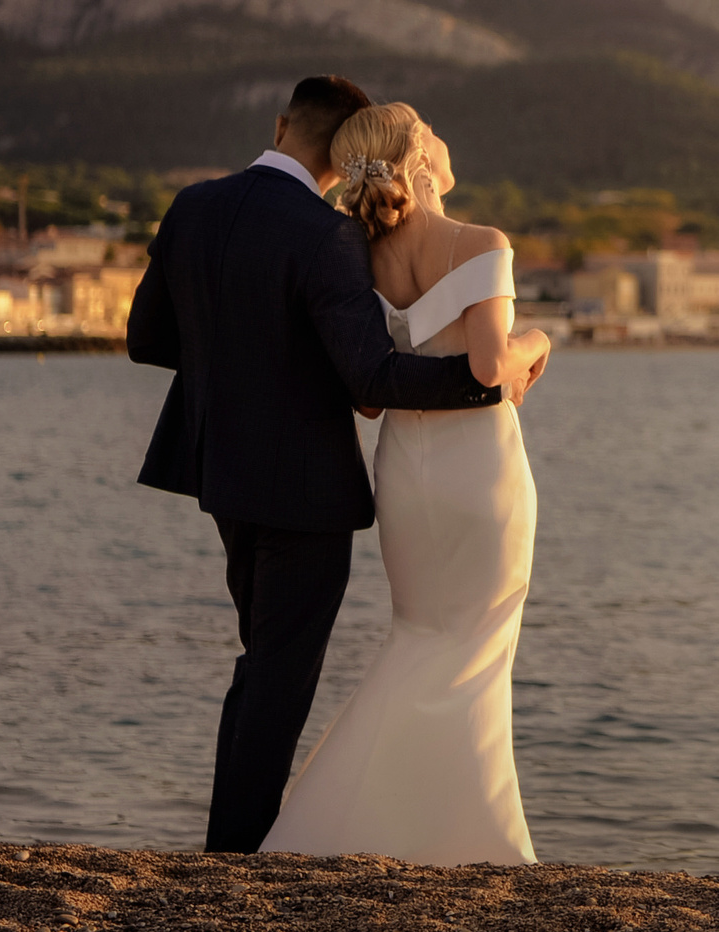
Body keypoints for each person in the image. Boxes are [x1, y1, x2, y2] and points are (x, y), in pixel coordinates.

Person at [126, 75, 534, 854]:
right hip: (305, 487)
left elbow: (148, 337)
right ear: (349, 152)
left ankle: (235, 841)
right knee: (279, 673)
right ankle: (238, 851)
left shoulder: (193, 206)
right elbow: (371, 377)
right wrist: (488, 384)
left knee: (262, 661)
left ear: (282, 123)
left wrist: (239, 363)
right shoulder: (328, 236)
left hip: (221, 474)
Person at [258, 102, 552, 864]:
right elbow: (491, 367)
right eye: (431, 128)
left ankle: (363, 824)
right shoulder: (483, 243)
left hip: (405, 475)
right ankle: (475, 837)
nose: (444, 138)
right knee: (479, 642)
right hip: (478, 471)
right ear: (419, 155)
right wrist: (540, 339)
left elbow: (368, 397)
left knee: (420, 636)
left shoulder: (360, 256)